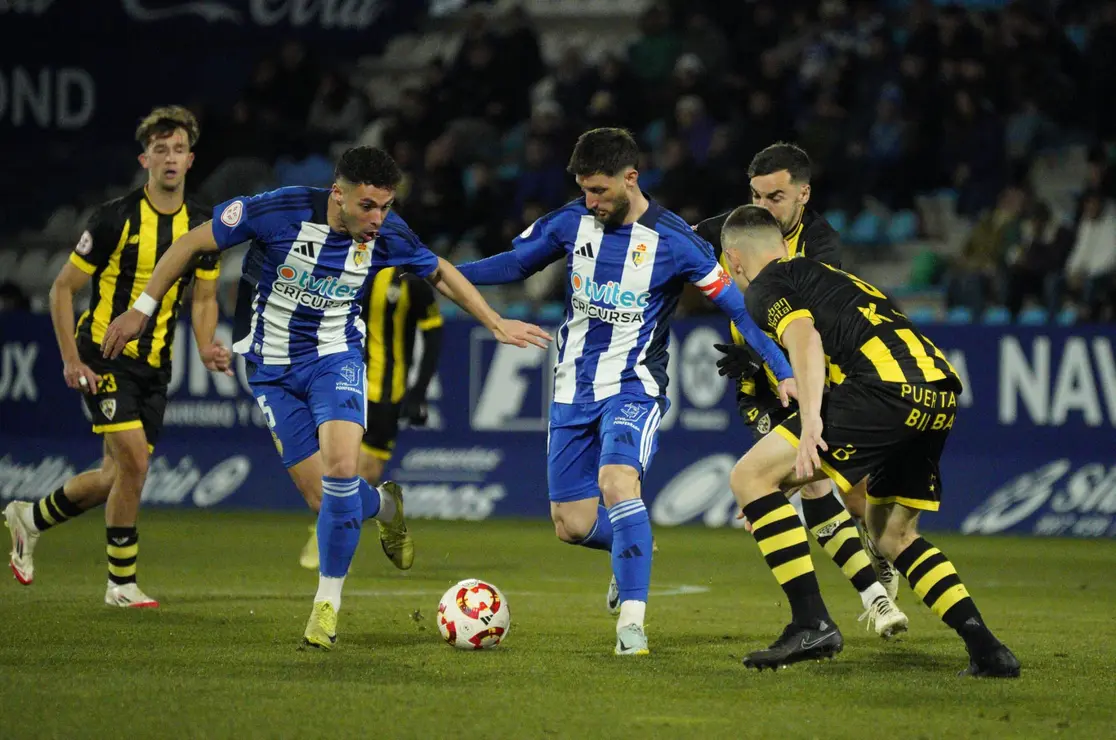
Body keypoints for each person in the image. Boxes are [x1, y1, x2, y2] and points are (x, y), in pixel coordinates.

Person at [101, 146, 549, 649]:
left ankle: (326, 609)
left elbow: (438, 269)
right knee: (322, 499)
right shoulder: (277, 210)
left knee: (340, 472)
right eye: (368, 206)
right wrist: (142, 308)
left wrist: (494, 322)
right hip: (270, 370)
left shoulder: (387, 235)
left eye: (387, 206)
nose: (379, 219)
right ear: (338, 195)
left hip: (336, 359)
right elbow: (189, 244)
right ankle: (383, 507)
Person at [454, 128, 795, 656]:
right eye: (585, 190)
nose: (590, 201)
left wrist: (782, 369)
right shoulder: (572, 221)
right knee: (571, 526)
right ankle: (633, 546)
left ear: (630, 179)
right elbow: (515, 264)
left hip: (635, 387)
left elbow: (739, 313)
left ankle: (631, 625)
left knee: (618, 481)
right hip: (571, 390)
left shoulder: (677, 241)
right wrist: (439, 272)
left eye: (599, 191)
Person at [719, 204, 1020, 678]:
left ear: (734, 260)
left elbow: (804, 340)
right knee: (891, 535)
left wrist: (811, 421)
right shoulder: (826, 275)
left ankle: (810, 622)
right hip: (937, 391)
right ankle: (988, 649)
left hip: (885, 389)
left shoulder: (766, 287)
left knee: (749, 475)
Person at [4, 105, 231, 607]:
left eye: (178, 150)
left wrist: (204, 345)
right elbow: (62, 290)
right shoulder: (115, 218)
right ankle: (121, 585)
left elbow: (206, 298)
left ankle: (30, 517)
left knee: (115, 476)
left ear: (191, 160)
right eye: (159, 150)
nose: (169, 158)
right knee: (135, 461)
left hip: (155, 365)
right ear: (144, 158)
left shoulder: (202, 226)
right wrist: (70, 359)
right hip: (103, 355)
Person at [695, 142, 905, 637]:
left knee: (855, 500)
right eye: (755, 195)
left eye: (775, 197)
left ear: (803, 195)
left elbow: (814, 327)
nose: (762, 207)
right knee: (813, 480)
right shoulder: (738, 226)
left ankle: (872, 557)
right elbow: (673, 242)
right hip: (762, 387)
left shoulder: (823, 247)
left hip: (813, 380)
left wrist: (766, 348)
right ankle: (874, 601)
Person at [298, 266, 444, 570]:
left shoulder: (411, 279)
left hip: (388, 392)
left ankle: (341, 528)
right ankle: (326, 533)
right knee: (336, 464)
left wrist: (419, 390)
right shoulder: (347, 267)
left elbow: (434, 333)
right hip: (342, 382)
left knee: (367, 471)